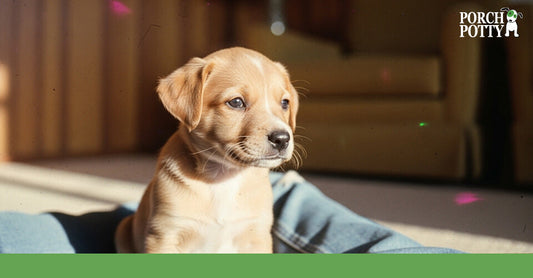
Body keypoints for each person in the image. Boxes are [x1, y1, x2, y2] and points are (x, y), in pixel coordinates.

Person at [0, 171, 459, 253]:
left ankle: (280, 193)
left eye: (283, 104)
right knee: (117, 234)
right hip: (151, 229)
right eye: (237, 103)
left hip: (251, 194)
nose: (279, 128)